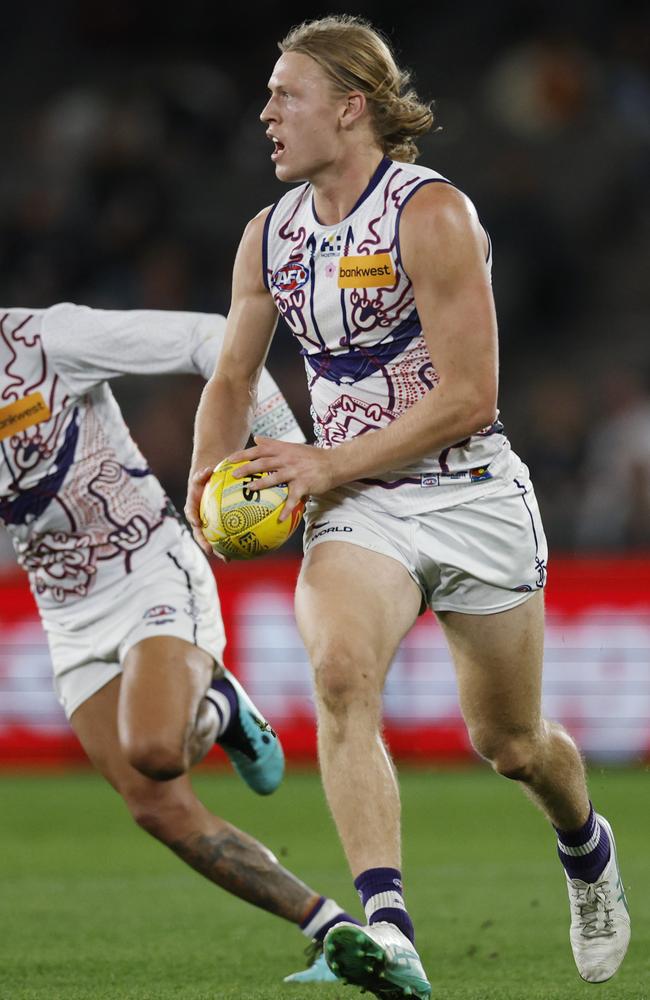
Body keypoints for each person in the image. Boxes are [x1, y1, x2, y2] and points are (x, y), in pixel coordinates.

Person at [185, 15, 631, 1000]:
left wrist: (321, 461)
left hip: (469, 490)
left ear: (349, 108)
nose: (264, 112)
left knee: (510, 744)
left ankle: (583, 842)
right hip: (357, 509)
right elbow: (229, 375)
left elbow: (468, 397)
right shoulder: (269, 236)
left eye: (284, 94)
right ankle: (389, 929)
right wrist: (206, 489)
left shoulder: (429, 216)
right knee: (340, 671)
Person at [0, 302, 359, 984]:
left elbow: (214, 338)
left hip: (148, 570)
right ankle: (331, 927)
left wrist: (283, 446)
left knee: (157, 750)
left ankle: (218, 706)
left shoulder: (41, 340)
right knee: (155, 805)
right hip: (66, 613)